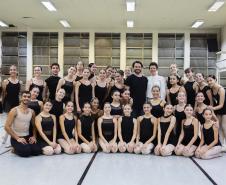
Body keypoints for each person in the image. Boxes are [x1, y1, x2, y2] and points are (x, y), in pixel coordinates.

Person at [4, 91, 42, 157]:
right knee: (26, 152)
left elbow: (34, 126)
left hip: (27, 136)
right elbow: (6, 127)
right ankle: (14, 149)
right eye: (24, 96)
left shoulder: (32, 111)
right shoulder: (14, 110)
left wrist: (34, 136)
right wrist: (17, 138)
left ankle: (25, 146)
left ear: (30, 99)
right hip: (16, 138)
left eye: (28, 97)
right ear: (20, 97)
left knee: (37, 151)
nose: (26, 98)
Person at [207, 75, 226, 148]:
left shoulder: (221, 89)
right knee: (218, 127)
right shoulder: (211, 89)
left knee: (224, 126)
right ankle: (221, 144)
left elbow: (221, 104)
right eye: (208, 81)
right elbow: (212, 102)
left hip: (224, 108)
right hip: (217, 109)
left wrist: (212, 109)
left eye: (211, 80)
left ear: (215, 80)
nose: (209, 82)